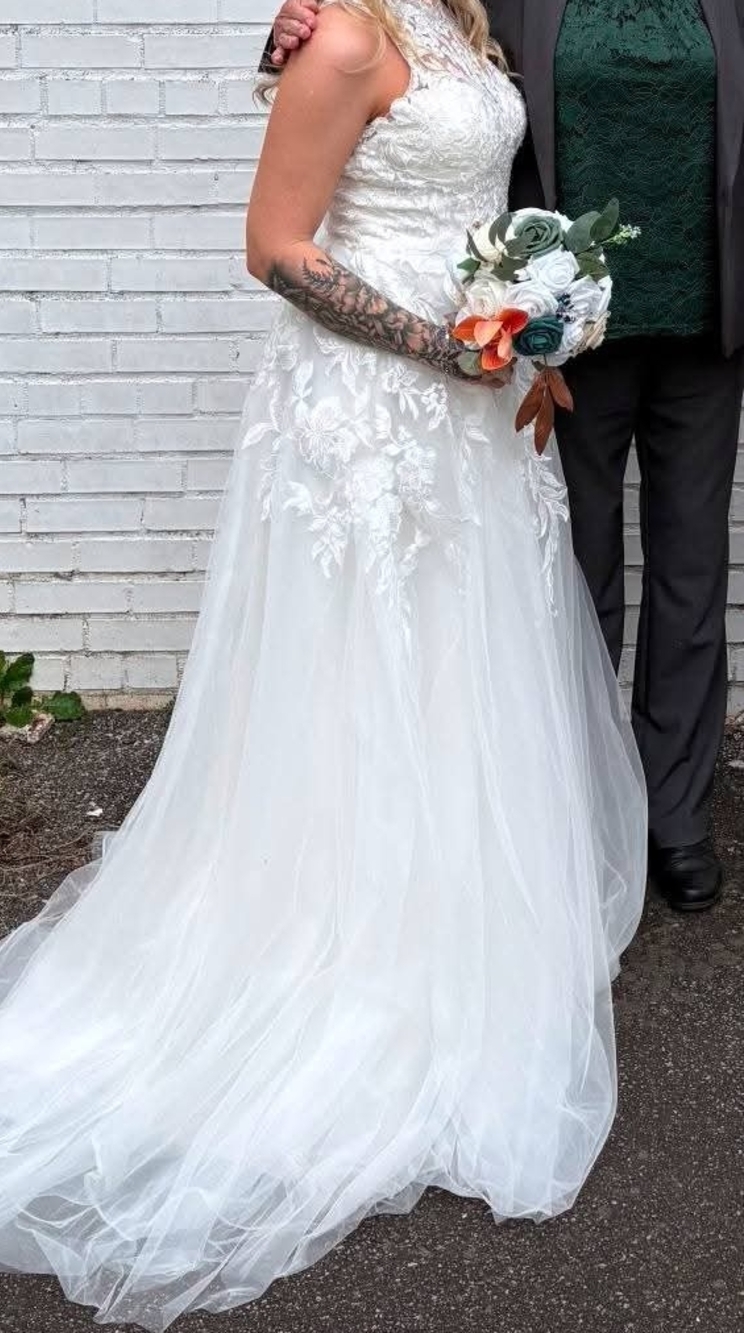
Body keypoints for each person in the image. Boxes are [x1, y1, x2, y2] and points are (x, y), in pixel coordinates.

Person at [0, 4, 646, 1329]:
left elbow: (486, 194)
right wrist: (445, 348)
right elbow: (275, 246)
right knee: (361, 677)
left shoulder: (468, 26)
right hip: (374, 410)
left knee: (461, 668)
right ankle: (347, 951)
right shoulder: (344, 39)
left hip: (474, 417)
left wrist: (524, 316)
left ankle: (456, 918)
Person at [266, 0, 744, 913]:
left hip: (705, 330)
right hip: (559, 345)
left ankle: (676, 817)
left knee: (691, 575)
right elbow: (408, 50)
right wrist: (290, 33)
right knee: (566, 575)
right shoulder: (506, 0)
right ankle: (573, 808)